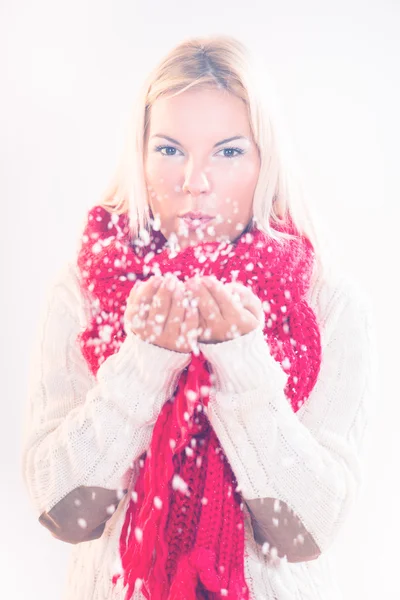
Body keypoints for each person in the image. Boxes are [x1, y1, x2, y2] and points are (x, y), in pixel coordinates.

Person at [21, 34, 376, 600]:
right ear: (139, 155)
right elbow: (66, 513)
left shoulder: (328, 303)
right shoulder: (85, 290)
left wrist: (240, 361)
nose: (194, 180)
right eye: (169, 149)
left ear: (266, 161)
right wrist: (146, 362)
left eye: (228, 151)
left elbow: (307, 530)